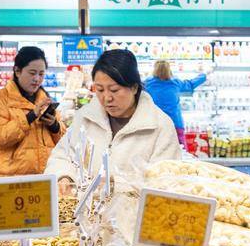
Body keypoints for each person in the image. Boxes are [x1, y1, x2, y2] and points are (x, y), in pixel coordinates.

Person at [45, 48, 180, 186]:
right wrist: (64, 177)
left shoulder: (159, 126)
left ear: (134, 87)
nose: (107, 98)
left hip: (133, 201)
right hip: (85, 200)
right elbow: (62, 156)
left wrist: (117, 185)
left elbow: (166, 182)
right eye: (100, 89)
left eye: (114, 90)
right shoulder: (85, 118)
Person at [0, 46, 64, 177]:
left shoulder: (44, 99)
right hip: (11, 180)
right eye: (32, 73)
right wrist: (30, 116)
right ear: (17, 71)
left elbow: (63, 143)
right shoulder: (1, 98)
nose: (37, 79)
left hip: (44, 177)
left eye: (41, 74)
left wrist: (54, 126)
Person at [144, 59, 207, 145]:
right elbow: (191, 84)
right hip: (175, 123)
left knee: (156, 149)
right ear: (169, 70)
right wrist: (203, 75)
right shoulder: (175, 83)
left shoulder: (147, 83)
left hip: (156, 123)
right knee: (179, 149)